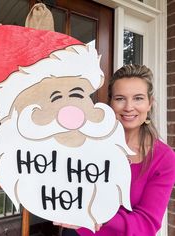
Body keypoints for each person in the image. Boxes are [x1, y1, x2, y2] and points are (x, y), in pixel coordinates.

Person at [60, 64, 175, 236]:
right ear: (110, 103)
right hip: (79, 233)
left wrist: (100, 216)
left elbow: (147, 224)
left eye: (138, 98)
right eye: (120, 98)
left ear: (150, 103)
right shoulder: (90, 142)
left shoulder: (163, 157)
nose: (128, 107)